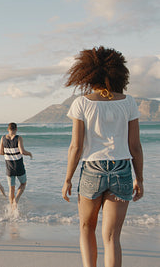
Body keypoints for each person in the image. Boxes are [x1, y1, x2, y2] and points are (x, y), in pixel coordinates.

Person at [62, 46, 144, 267]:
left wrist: (68, 178)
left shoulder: (82, 103)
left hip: (92, 170)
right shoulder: (128, 102)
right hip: (122, 170)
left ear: (87, 73)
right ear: (118, 73)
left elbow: (76, 147)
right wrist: (140, 179)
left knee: (87, 228)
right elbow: (135, 146)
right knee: (112, 238)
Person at [0, 123, 32, 210]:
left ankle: (12, 209)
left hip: (9, 167)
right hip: (19, 166)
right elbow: (22, 151)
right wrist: (30, 154)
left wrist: (8, 153)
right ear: (16, 129)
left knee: (11, 189)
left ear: (8, 129)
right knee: (23, 183)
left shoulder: (3, 138)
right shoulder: (18, 138)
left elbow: (0, 152)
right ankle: (16, 200)